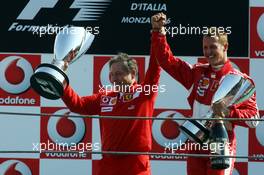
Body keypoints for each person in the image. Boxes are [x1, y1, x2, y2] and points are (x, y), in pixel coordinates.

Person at [150, 12, 259, 175]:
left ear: (225, 47)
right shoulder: (197, 73)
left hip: (220, 145)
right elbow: (167, 61)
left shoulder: (239, 81)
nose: (208, 52)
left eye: (213, 47)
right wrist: (159, 32)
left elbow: (254, 119)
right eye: (205, 47)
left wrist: (229, 112)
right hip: (196, 143)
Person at [62, 44, 161, 174]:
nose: (114, 79)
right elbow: (78, 105)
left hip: (135, 165)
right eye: (112, 74)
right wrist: (61, 80)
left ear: (133, 74)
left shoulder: (144, 92)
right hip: (108, 164)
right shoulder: (105, 97)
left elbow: (155, 67)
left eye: (119, 74)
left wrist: (157, 34)